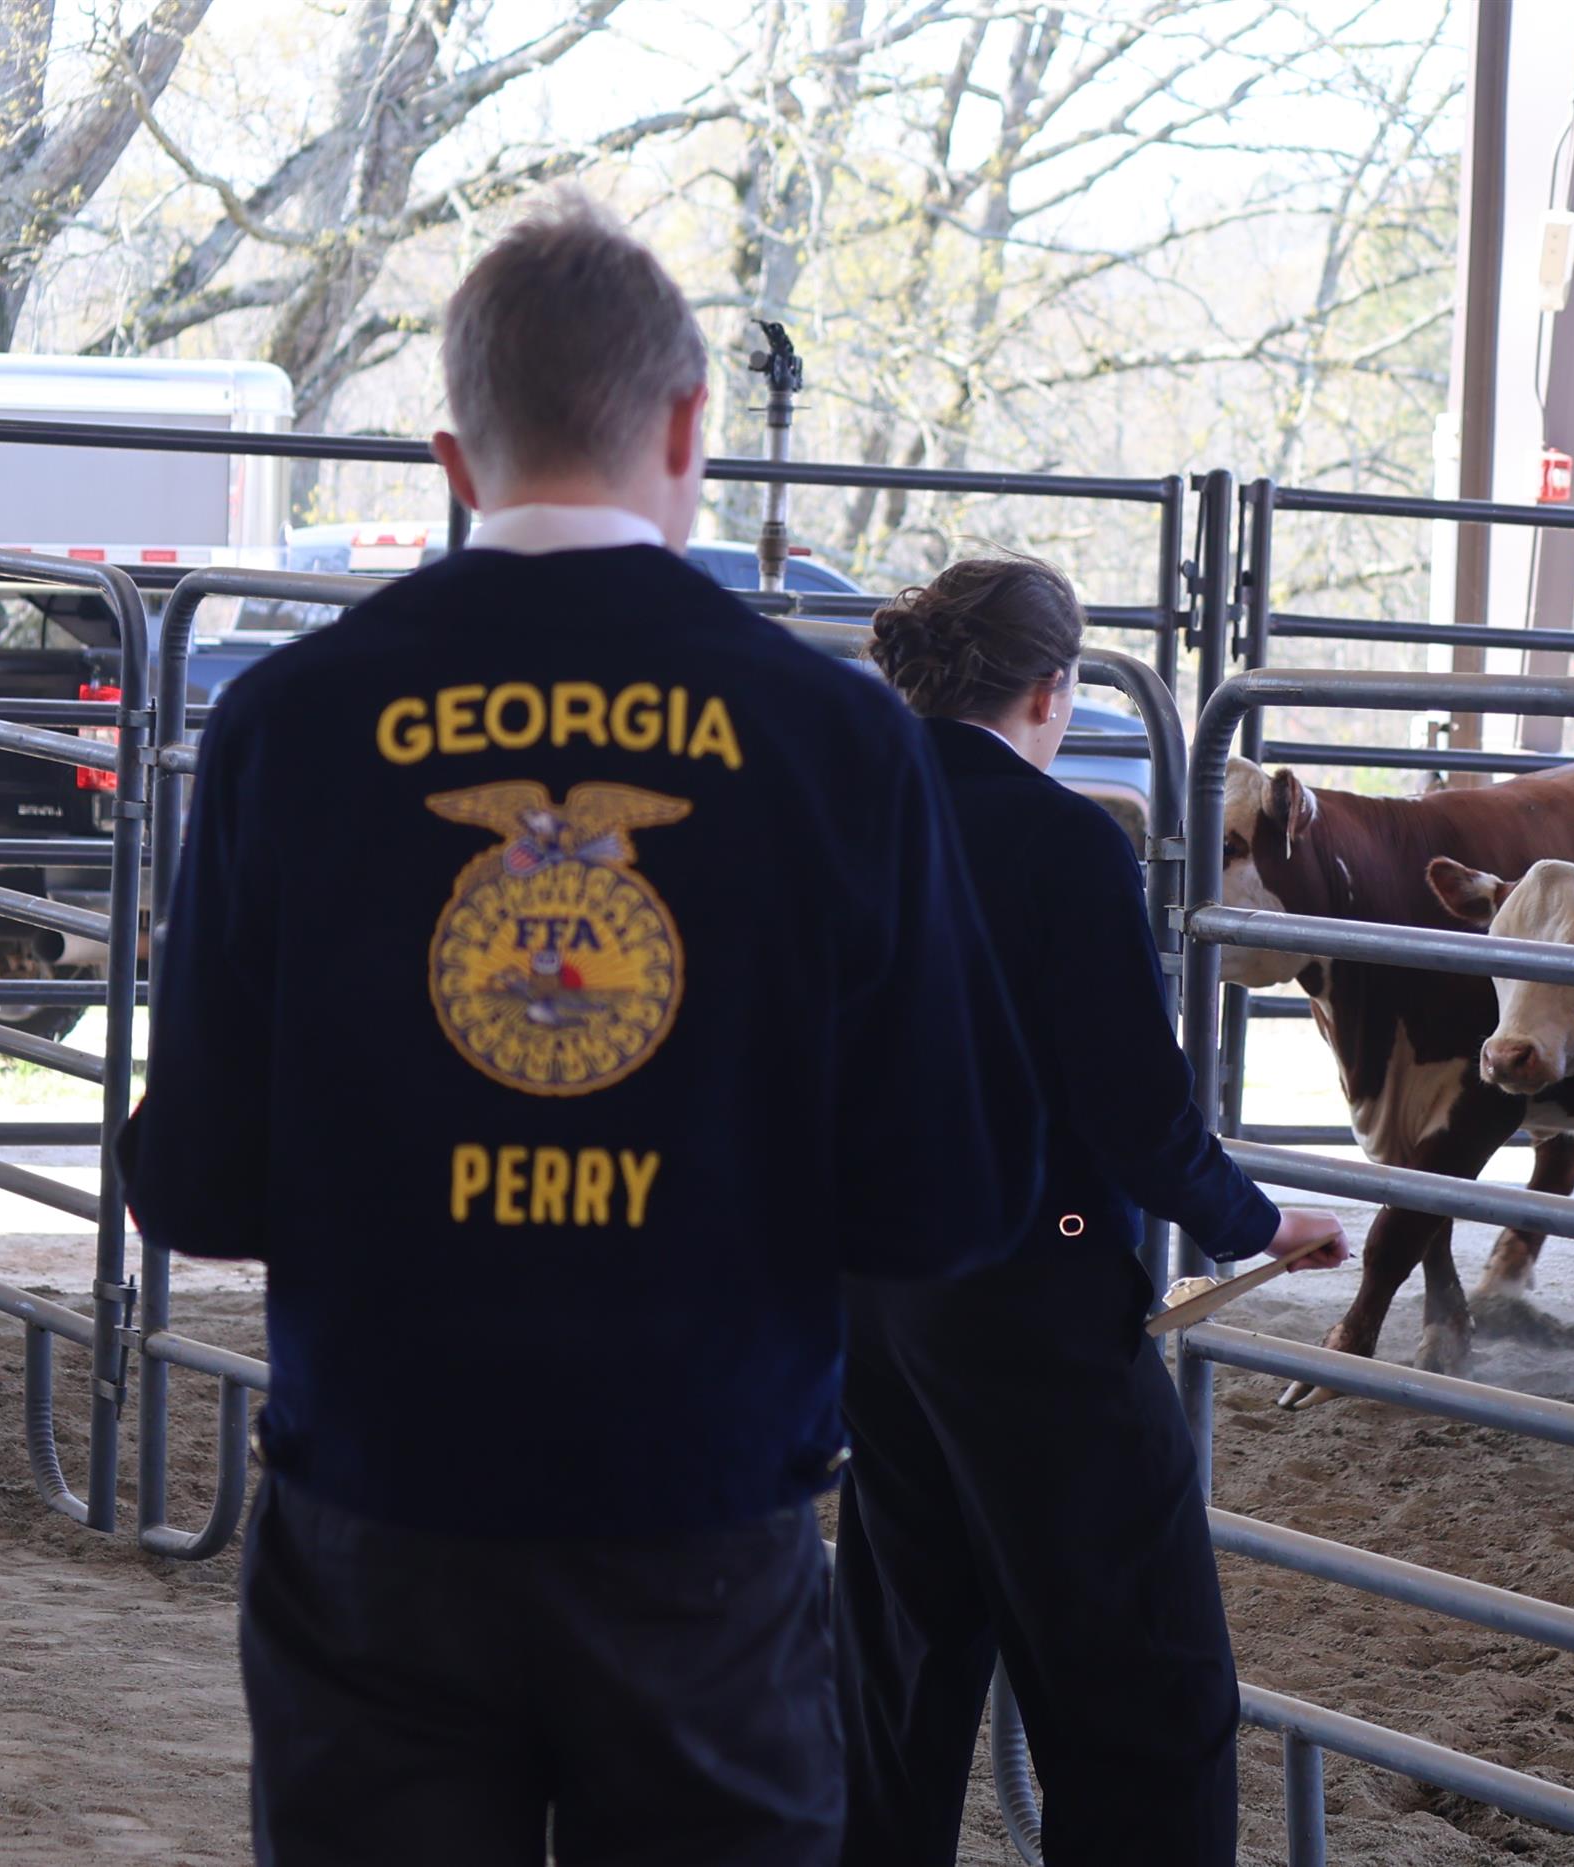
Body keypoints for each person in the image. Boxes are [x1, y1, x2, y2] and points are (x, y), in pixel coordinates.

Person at [117, 194, 1043, 1867]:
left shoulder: (286, 725)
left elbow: (194, 1185)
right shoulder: (835, 741)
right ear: (691, 427)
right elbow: (950, 1198)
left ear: (453, 457)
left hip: (380, 1499)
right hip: (701, 1506)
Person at [839, 556, 1347, 1866]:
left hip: (874, 1299)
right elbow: (1134, 1107)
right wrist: (1255, 1222)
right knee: (1145, 1686)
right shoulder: (1065, 843)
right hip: (1035, 1302)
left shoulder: (839, 821)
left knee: (901, 1652)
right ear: (1052, 690)